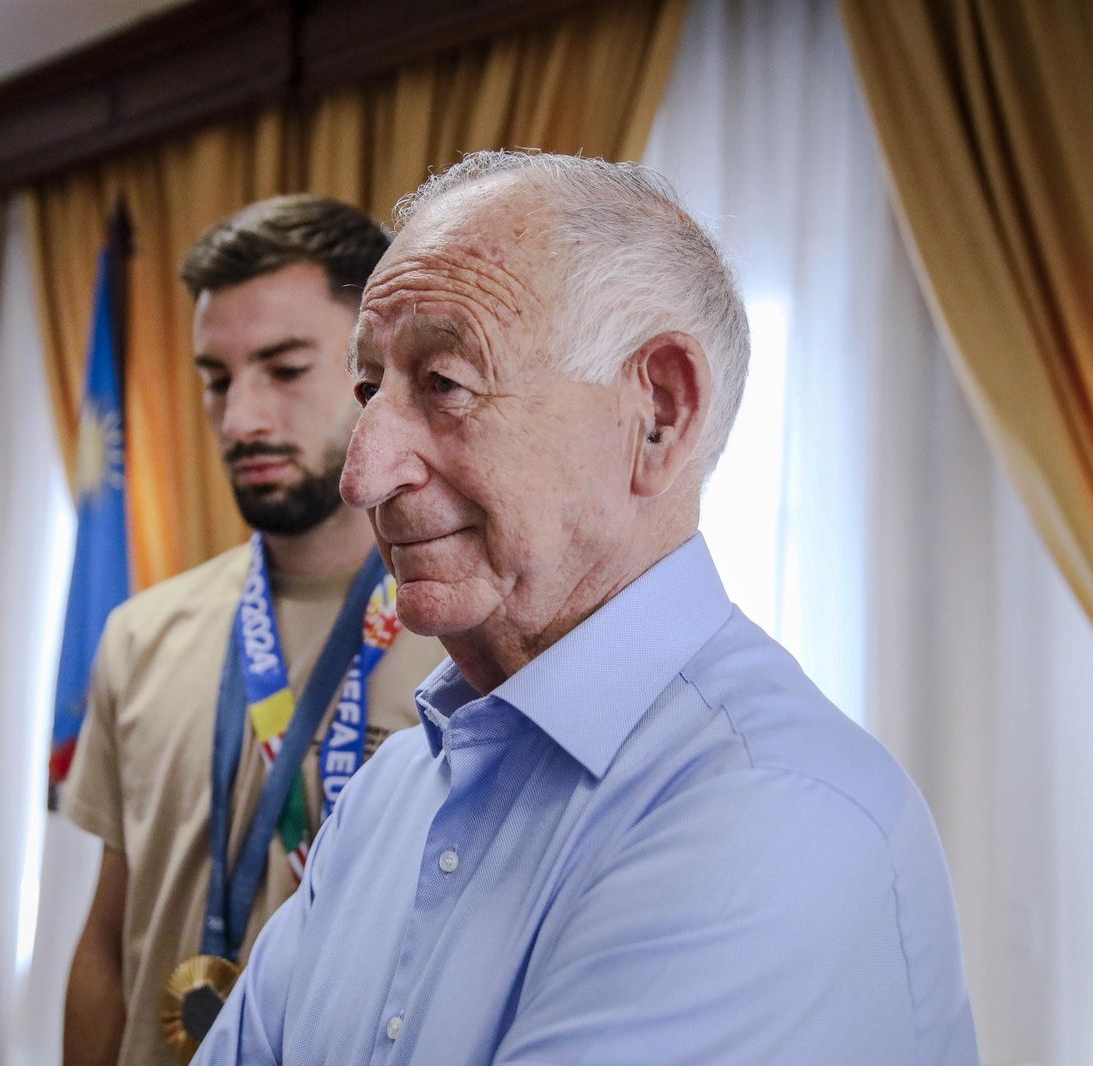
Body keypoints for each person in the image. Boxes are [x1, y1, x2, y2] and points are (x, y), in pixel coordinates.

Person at [194, 152, 981, 1065]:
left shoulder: (778, 814)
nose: (363, 473)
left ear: (658, 414)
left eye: (445, 383)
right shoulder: (388, 796)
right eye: (370, 391)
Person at [60, 195, 447, 1066]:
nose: (240, 421)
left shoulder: (470, 639)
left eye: (283, 368)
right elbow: (104, 944)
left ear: (379, 368)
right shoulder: (140, 636)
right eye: (216, 378)